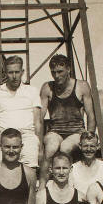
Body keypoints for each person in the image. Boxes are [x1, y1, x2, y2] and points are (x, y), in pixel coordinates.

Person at [38, 54, 96, 189]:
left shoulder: (81, 86)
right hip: (56, 131)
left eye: (60, 72)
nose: (56, 76)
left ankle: (67, 186)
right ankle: (41, 186)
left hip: (76, 131)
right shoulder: (47, 88)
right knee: (51, 148)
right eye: (53, 72)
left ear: (68, 69)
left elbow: (91, 116)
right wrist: (39, 143)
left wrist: (89, 137)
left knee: (65, 147)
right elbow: (39, 118)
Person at [0, 56, 42, 169]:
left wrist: (41, 148)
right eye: (10, 72)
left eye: (17, 72)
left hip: (27, 136)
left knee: (30, 171)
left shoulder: (32, 91)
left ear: (22, 72)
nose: (14, 76)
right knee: (3, 172)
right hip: (5, 137)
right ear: (5, 73)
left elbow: (38, 123)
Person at [69, 131, 103, 196]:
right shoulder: (73, 168)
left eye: (92, 146)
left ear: (97, 146)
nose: (88, 149)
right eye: (85, 146)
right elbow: (69, 192)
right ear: (80, 146)